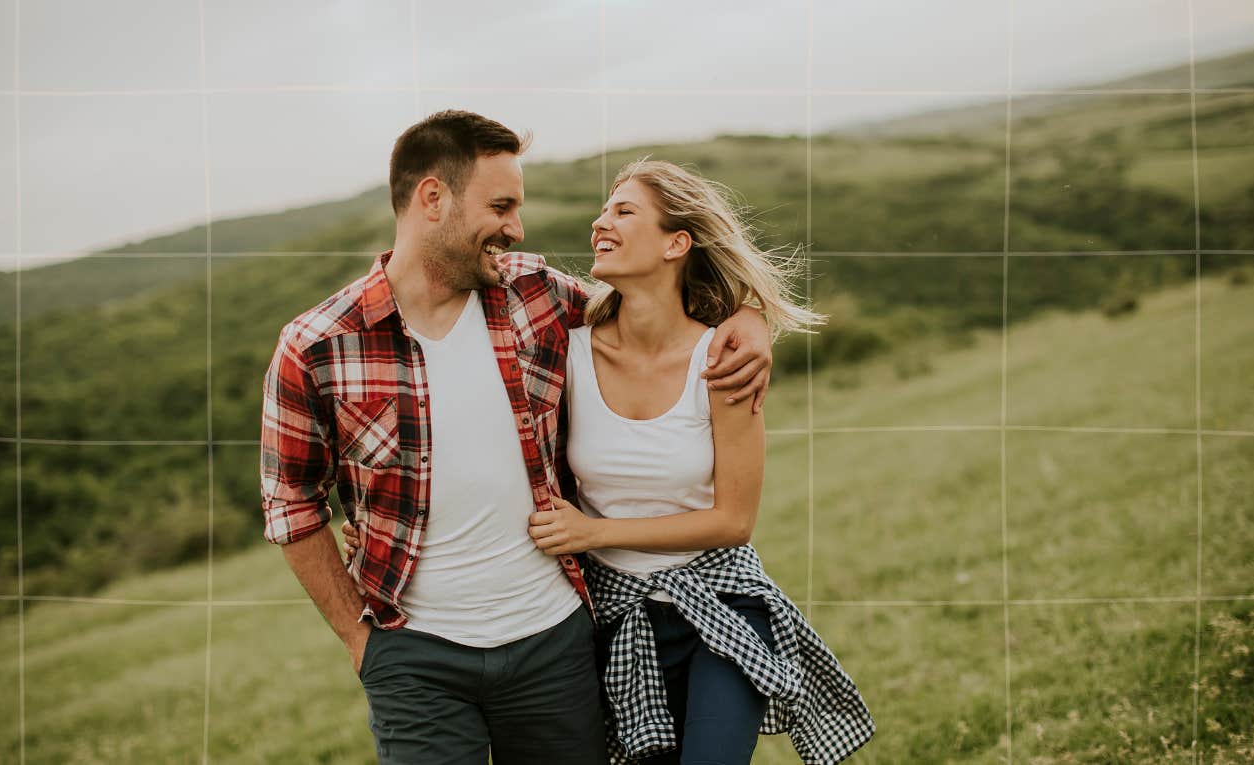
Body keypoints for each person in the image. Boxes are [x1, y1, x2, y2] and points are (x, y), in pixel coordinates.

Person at [260, 110, 775, 765]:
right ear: (432, 198)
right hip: (416, 656)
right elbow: (291, 503)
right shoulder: (317, 348)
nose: (517, 227)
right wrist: (358, 635)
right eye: (501, 206)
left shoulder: (538, 297)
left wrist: (748, 319)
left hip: (553, 643)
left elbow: (659, 310)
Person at [346, 158, 876, 763]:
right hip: (616, 615)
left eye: (624, 211)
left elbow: (735, 522)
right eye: (604, 209)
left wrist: (751, 319)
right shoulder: (562, 344)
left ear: (678, 242)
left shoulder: (723, 360)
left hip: (719, 601)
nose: (601, 221)